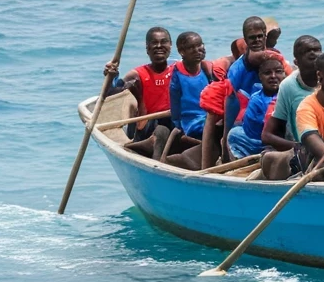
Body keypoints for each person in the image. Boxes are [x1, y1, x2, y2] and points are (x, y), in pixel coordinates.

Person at [261, 51, 324, 181]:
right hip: (314, 157)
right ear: (320, 77)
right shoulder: (306, 107)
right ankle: (274, 160)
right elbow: (317, 146)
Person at [104, 26, 175, 158]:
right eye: (154, 43)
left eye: (164, 42)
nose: (159, 46)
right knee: (161, 130)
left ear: (170, 45)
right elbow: (111, 96)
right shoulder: (138, 74)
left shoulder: (177, 69)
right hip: (148, 125)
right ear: (147, 48)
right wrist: (111, 77)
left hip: (172, 122)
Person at [162, 31, 213, 168]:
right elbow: (175, 108)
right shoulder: (177, 76)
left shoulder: (206, 68)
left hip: (208, 117)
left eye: (200, 45)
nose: (198, 50)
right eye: (191, 48)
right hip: (191, 123)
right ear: (181, 52)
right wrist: (179, 128)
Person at [263, 35, 322, 151]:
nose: (313, 54)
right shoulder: (288, 86)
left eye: (316, 50)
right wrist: (296, 146)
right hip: (302, 147)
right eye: (306, 51)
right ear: (296, 62)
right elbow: (267, 135)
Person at [226, 55, 286, 160]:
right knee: (234, 133)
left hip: (284, 139)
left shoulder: (289, 95)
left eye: (278, 72)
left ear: (284, 75)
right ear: (260, 77)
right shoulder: (256, 98)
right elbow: (252, 131)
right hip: (261, 141)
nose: (273, 76)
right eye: (267, 73)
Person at [223, 16, 269, 152]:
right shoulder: (236, 70)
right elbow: (230, 104)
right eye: (252, 37)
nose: (257, 40)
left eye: (260, 36)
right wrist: (225, 137)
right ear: (245, 39)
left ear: (265, 36)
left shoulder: (274, 62)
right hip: (248, 123)